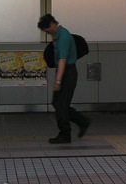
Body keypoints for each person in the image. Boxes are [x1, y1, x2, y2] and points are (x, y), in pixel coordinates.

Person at [38, 13, 91, 144]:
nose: (47, 33)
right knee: (57, 103)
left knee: (61, 105)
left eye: (47, 30)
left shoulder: (63, 37)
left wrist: (58, 81)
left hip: (67, 72)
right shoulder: (57, 34)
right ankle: (82, 121)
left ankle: (65, 134)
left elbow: (62, 60)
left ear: (52, 24)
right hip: (64, 71)